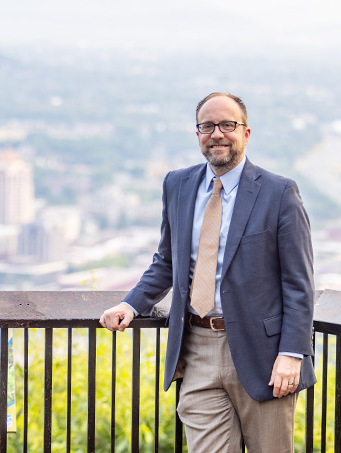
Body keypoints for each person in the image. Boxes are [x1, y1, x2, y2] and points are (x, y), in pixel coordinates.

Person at [99, 92, 315, 453]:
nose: (217, 133)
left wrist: (292, 352)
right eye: (207, 126)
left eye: (228, 125)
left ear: (246, 134)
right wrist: (131, 305)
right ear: (197, 134)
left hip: (263, 355)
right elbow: (167, 261)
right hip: (196, 349)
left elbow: (299, 284)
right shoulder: (177, 185)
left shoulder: (279, 193)